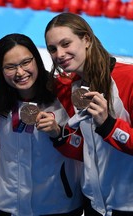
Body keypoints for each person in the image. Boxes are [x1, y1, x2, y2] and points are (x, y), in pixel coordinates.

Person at [44, 12, 133, 216]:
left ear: (86, 39)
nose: (59, 54)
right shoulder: (73, 86)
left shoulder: (128, 79)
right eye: (52, 49)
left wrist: (108, 125)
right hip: (93, 204)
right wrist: (59, 135)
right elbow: (88, 151)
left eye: (66, 44)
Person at [0, 33, 83, 216]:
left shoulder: (65, 92)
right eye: (10, 67)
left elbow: (86, 148)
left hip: (59, 206)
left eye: (26, 62)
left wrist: (59, 133)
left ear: (36, 60)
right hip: (9, 206)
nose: (20, 73)